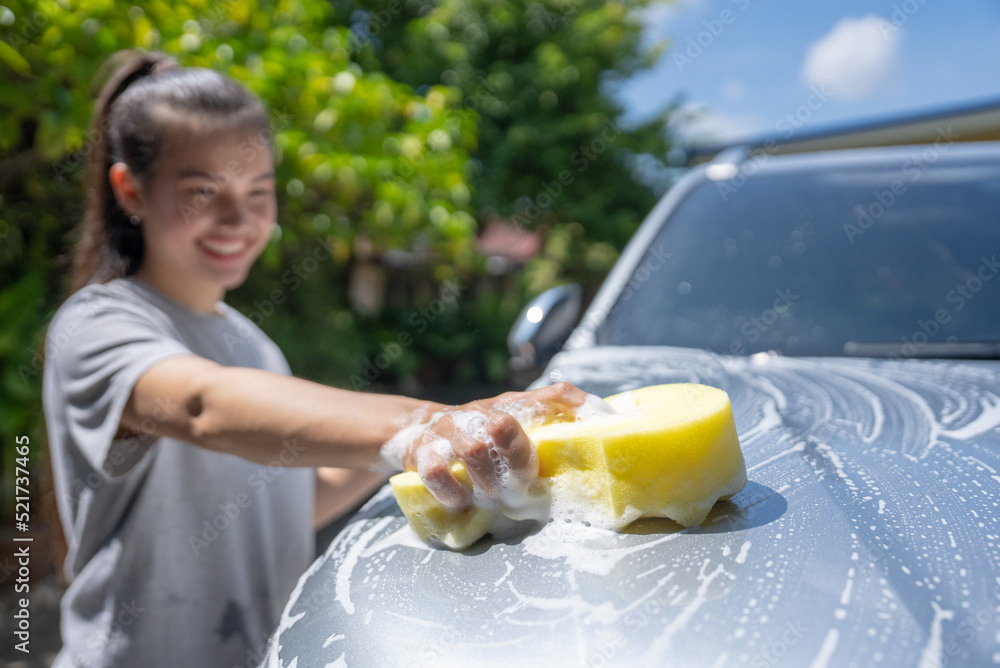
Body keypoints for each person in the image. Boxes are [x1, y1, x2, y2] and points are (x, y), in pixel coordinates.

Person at [41, 50, 589, 668]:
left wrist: (409, 458)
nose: (238, 218)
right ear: (130, 190)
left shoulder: (252, 345)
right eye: (202, 191)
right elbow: (201, 405)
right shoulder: (96, 326)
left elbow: (294, 502)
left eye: (258, 191)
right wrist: (421, 425)